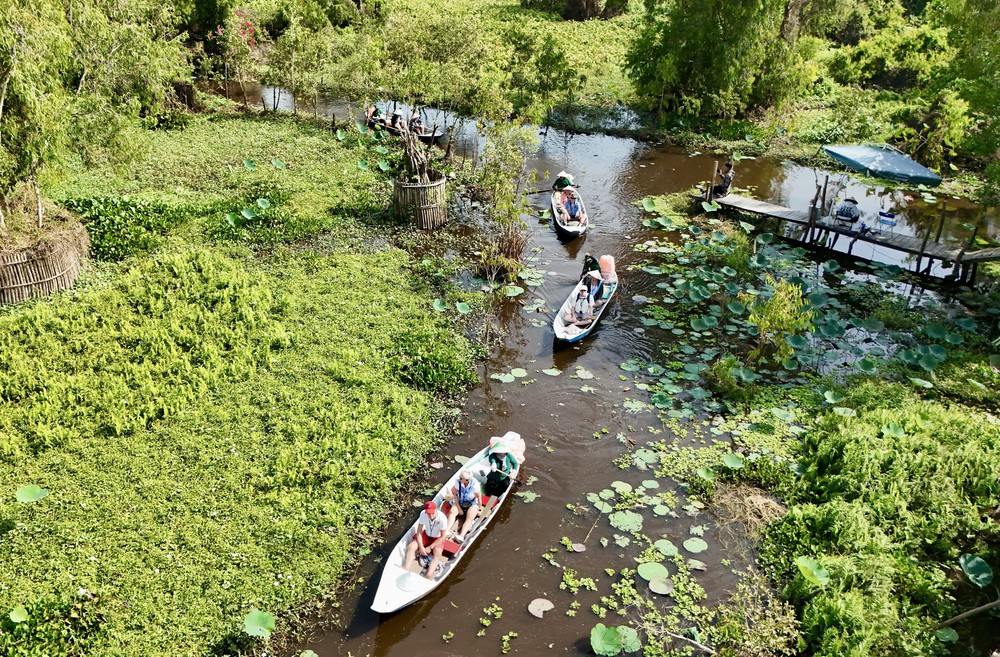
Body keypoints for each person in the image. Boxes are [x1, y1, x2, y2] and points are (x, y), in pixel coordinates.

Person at [403, 500, 448, 579]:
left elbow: (443, 536)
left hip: (437, 538)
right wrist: (421, 547)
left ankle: (428, 575)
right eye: (428, 514)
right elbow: (419, 531)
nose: (430, 516)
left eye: (432, 513)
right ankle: (406, 567)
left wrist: (430, 547)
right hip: (426, 534)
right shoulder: (423, 514)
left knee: (437, 553)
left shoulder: (442, 518)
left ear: (436, 510)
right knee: (411, 547)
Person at [445, 470, 481, 543]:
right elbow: (455, 495)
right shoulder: (458, 482)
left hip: (471, 502)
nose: (459, 479)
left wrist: (479, 508)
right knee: (452, 512)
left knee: (470, 518)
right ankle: (447, 530)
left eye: (461, 478)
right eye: (460, 477)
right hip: (460, 500)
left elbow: (479, 497)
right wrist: (459, 508)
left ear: (467, 480)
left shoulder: (474, 484)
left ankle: (461, 536)